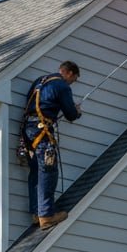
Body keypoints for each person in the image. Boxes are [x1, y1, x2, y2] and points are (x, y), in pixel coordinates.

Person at [22, 61, 81, 229]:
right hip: (43, 132)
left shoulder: (40, 81)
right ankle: (46, 215)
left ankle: (36, 212)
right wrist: (77, 112)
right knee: (48, 170)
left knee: (36, 170)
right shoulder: (61, 85)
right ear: (68, 72)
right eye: (73, 79)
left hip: (29, 131)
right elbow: (70, 114)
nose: (72, 83)